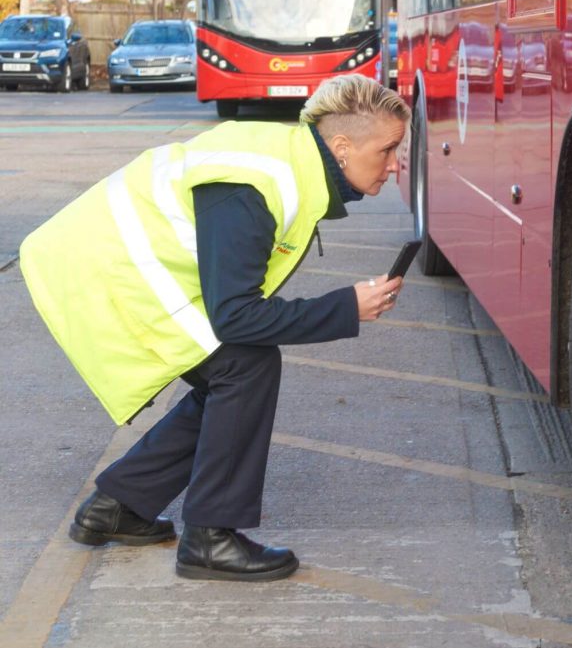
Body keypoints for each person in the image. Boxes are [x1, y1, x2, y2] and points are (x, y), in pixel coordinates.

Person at [19, 74, 411, 581]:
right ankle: (210, 536)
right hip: (105, 273)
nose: (396, 164)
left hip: (108, 266)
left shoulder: (291, 164)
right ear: (341, 147)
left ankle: (118, 505)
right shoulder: (258, 185)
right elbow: (236, 316)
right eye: (388, 149)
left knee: (230, 370)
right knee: (246, 364)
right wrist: (345, 307)